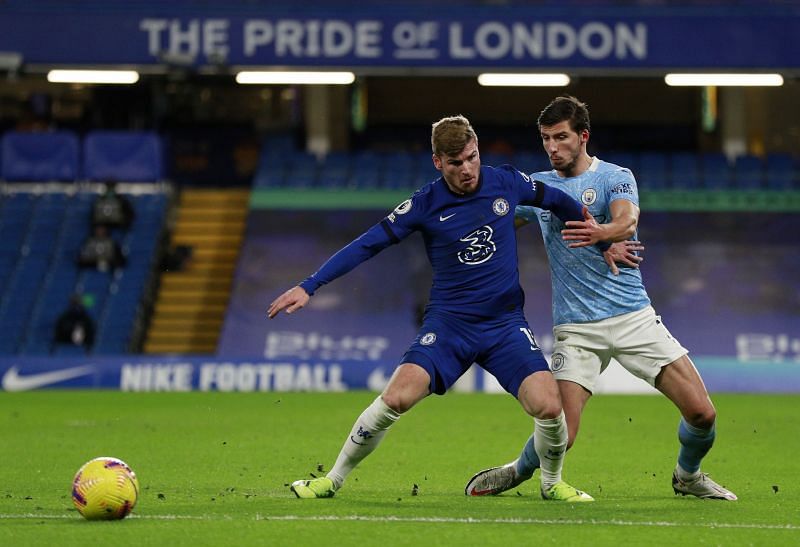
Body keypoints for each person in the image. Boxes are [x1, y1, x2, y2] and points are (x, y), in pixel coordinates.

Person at [268, 115, 610, 502]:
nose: (467, 169)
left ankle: (551, 484)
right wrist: (310, 285)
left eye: (471, 157)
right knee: (396, 397)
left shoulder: (507, 181)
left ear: (478, 149)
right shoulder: (424, 204)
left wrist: (602, 239)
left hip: (504, 325)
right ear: (437, 162)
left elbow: (558, 201)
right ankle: (332, 479)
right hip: (450, 326)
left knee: (549, 407)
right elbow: (367, 244)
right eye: (455, 163)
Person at [464, 96, 737, 500]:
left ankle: (688, 476)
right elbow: (497, 218)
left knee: (703, 413)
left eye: (561, 137)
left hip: (634, 319)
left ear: (583, 136)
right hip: (576, 328)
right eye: (545, 139)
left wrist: (603, 234)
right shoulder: (540, 189)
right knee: (563, 434)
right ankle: (516, 471)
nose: (552, 147)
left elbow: (628, 219)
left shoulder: (614, 177)